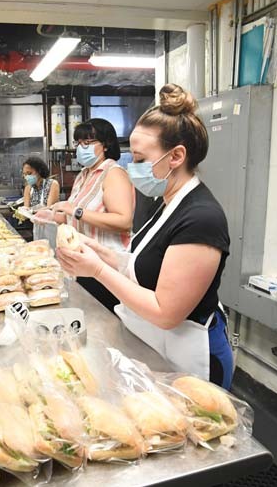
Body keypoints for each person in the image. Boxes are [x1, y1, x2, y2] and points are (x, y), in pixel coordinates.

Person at [56, 84, 233, 389]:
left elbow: (166, 312)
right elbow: (142, 266)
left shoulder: (201, 218)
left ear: (176, 155)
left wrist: (97, 271)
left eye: (139, 159)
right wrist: (98, 251)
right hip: (157, 346)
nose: (132, 167)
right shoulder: (167, 203)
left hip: (189, 357)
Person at [43, 118, 134, 312]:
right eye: (78, 143)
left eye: (87, 143)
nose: (81, 148)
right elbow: (74, 217)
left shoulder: (113, 173)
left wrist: (75, 210)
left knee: (107, 323)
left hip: (106, 265)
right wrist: (50, 216)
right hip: (82, 263)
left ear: (106, 145)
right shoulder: (84, 174)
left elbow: (123, 220)